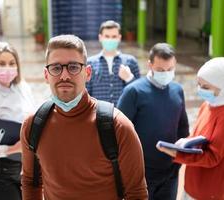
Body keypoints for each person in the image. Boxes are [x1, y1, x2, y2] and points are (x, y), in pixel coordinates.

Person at [20, 34, 148, 200]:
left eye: (73, 67)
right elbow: (30, 182)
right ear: (46, 75)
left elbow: (136, 192)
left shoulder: (117, 126)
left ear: (87, 73)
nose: (64, 76)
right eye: (56, 68)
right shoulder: (34, 125)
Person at [117, 43, 189, 200]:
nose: (166, 73)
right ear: (150, 65)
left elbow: (183, 128)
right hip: (142, 173)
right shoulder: (134, 91)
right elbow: (119, 132)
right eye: (161, 70)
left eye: (170, 69)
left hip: (170, 173)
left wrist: (178, 162)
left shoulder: (178, 90)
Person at [157, 57, 224, 200]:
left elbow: (213, 156)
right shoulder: (208, 105)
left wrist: (178, 154)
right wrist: (184, 143)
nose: (200, 90)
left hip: (209, 189)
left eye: (206, 87)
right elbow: (198, 135)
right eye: (199, 84)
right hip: (193, 180)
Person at [0, 42, 35, 200]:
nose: (7, 68)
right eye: (2, 64)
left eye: (12, 63)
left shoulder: (24, 89)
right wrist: (13, 148)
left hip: (26, 168)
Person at [86, 20, 140, 105]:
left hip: (124, 114)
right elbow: (85, 93)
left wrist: (129, 78)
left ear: (119, 38)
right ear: (100, 37)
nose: (110, 39)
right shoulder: (90, 63)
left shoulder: (131, 61)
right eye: (107, 36)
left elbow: (140, 94)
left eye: (114, 36)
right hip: (98, 114)